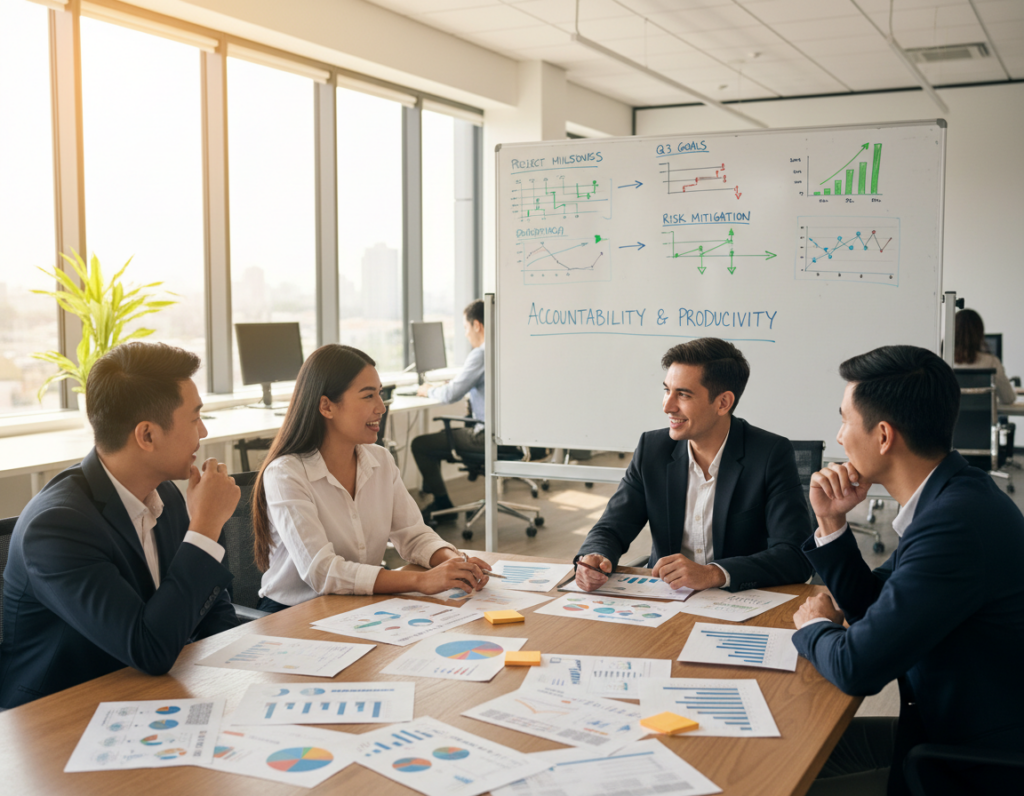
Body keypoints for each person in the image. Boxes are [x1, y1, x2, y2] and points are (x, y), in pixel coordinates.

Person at [793, 345, 1024, 795]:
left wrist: (814, 626)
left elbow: (857, 666)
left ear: (883, 436)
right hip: (942, 733)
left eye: (845, 420)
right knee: (790, 749)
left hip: (971, 769)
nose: (839, 437)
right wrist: (831, 522)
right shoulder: (954, 495)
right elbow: (874, 607)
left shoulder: (954, 526)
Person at [0, 343, 240, 709]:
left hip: (149, 696)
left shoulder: (167, 496)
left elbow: (213, 612)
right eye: (194, 419)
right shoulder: (56, 527)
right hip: (59, 716)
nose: (203, 432)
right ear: (146, 435)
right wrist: (206, 526)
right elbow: (149, 648)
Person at [252, 344, 489, 611]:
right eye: (368, 396)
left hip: (357, 604)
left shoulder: (380, 460)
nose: (381, 407)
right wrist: (421, 581)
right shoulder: (286, 474)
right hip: (292, 614)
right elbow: (323, 571)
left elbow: (413, 535)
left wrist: (453, 562)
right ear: (326, 406)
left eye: (380, 394)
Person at [575, 338, 813, 594]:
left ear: (723, 403)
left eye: (683, 394)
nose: (667, 406)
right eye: (667, 390)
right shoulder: (652, 449)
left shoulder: (770, 454)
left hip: (739, 600)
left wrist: (713, 574)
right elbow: (612, 526)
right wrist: (595, 554)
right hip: (668, 599)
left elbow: (795, 556)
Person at [411, 299, 486, 521]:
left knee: (421, 444)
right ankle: (438, 500)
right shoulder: (503, 351)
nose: (465, 334)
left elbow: (451, 395)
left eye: (465, 327)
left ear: (477, 325)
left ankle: (442, 503)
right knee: (435, 441)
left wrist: (428, 390)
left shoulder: (481, 354)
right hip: (508, 436)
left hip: (484, 437)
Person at [953, 307, 1016, 405]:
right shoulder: (991, 362)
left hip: (952, 420)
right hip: (984, 419)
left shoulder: (943, 361)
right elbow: (1008, 398)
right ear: (980, 333)